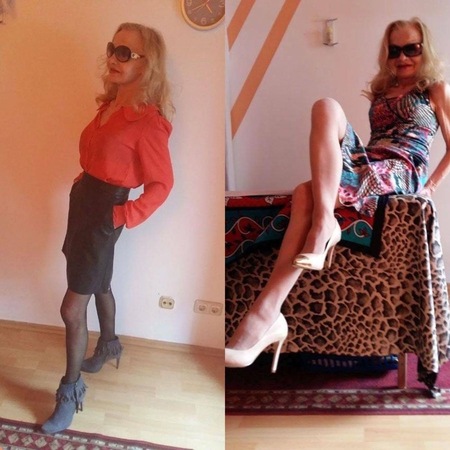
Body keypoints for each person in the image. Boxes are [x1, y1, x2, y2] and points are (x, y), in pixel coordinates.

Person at [225, 17, 450, 373]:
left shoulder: (435, 89)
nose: (403, 57)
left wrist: (430, 187)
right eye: (395, 51)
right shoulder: (382, 90)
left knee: (308, 192)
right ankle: (275, 303)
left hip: (401, 168)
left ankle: (263, 316)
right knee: (324, 111)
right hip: (370, 161)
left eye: (412, 49)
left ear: (425, 50)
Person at [41, 23, 174, 434]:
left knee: (71, 308)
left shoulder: (148, 122)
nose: (114, 58)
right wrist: (85, 182)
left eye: (125, 53)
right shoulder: (109, 106)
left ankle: (70, 392)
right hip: (84, 203)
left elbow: (162, 184)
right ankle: (108, 346)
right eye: (113, 49)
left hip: (105, 213)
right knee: (98, 281)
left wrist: (122, 215)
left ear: (147, 64)